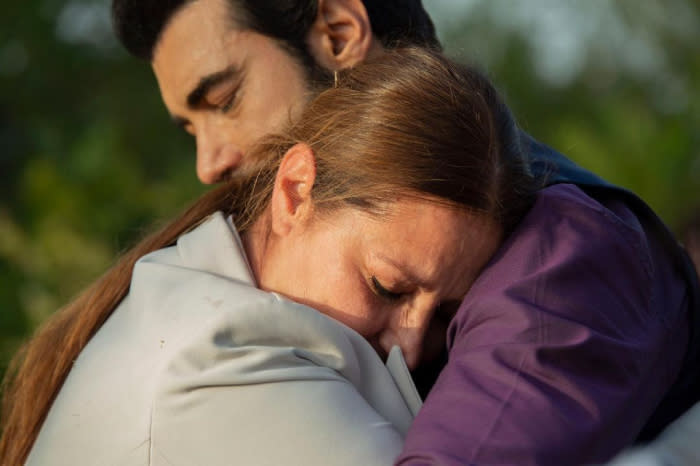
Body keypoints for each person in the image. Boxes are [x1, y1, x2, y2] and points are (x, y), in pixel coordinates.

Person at [105, 1, 700, 464]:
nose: (208, 164)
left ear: (338, 34)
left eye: (224, 98)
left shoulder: (562, 258)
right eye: (190, 128)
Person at [0, 48, 537, 465]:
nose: (414, 346)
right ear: (295, 191)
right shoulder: (224, 366)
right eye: (386, 287)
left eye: (449, 313)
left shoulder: (190, 307)